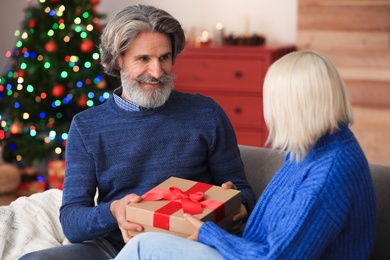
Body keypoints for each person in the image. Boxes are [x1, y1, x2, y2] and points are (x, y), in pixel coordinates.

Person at [20, 4, 256, 260]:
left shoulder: (206, 113)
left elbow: (243, 192)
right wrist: (114, 211)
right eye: (143, 59)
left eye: (164, 58)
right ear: (118, 59)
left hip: (188, 244)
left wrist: (238, 205)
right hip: (113, 247)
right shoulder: (87, 126)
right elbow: (72, 220)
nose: (156, 72)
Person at [115, 50, 377, 260]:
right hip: (246, 251)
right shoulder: (313, 150)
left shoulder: (330, 170)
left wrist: (210, 234)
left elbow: (277, 256)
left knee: (144, 247)